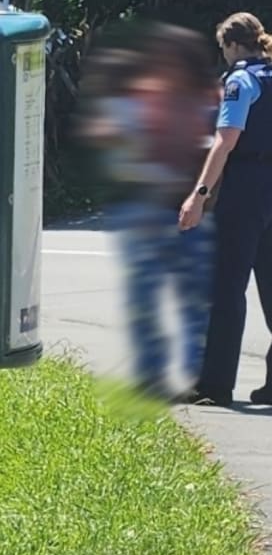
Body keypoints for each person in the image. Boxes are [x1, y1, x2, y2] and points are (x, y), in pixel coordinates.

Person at [75, 21, 219, 400]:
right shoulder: (152, 96)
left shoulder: (204, 97)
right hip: (146, 210)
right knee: (150, 300)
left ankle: (192, 377)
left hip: (182, 212)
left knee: (189, 301)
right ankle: (157, 376)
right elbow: (107, 135)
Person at [179, 12, 272, 408]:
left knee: (228, 285)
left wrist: (198, 194)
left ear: (233, 45)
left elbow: (225, 141)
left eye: (223, 49)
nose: (224, 56)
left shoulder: (241, 79)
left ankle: (215, 385)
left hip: (246, 185)